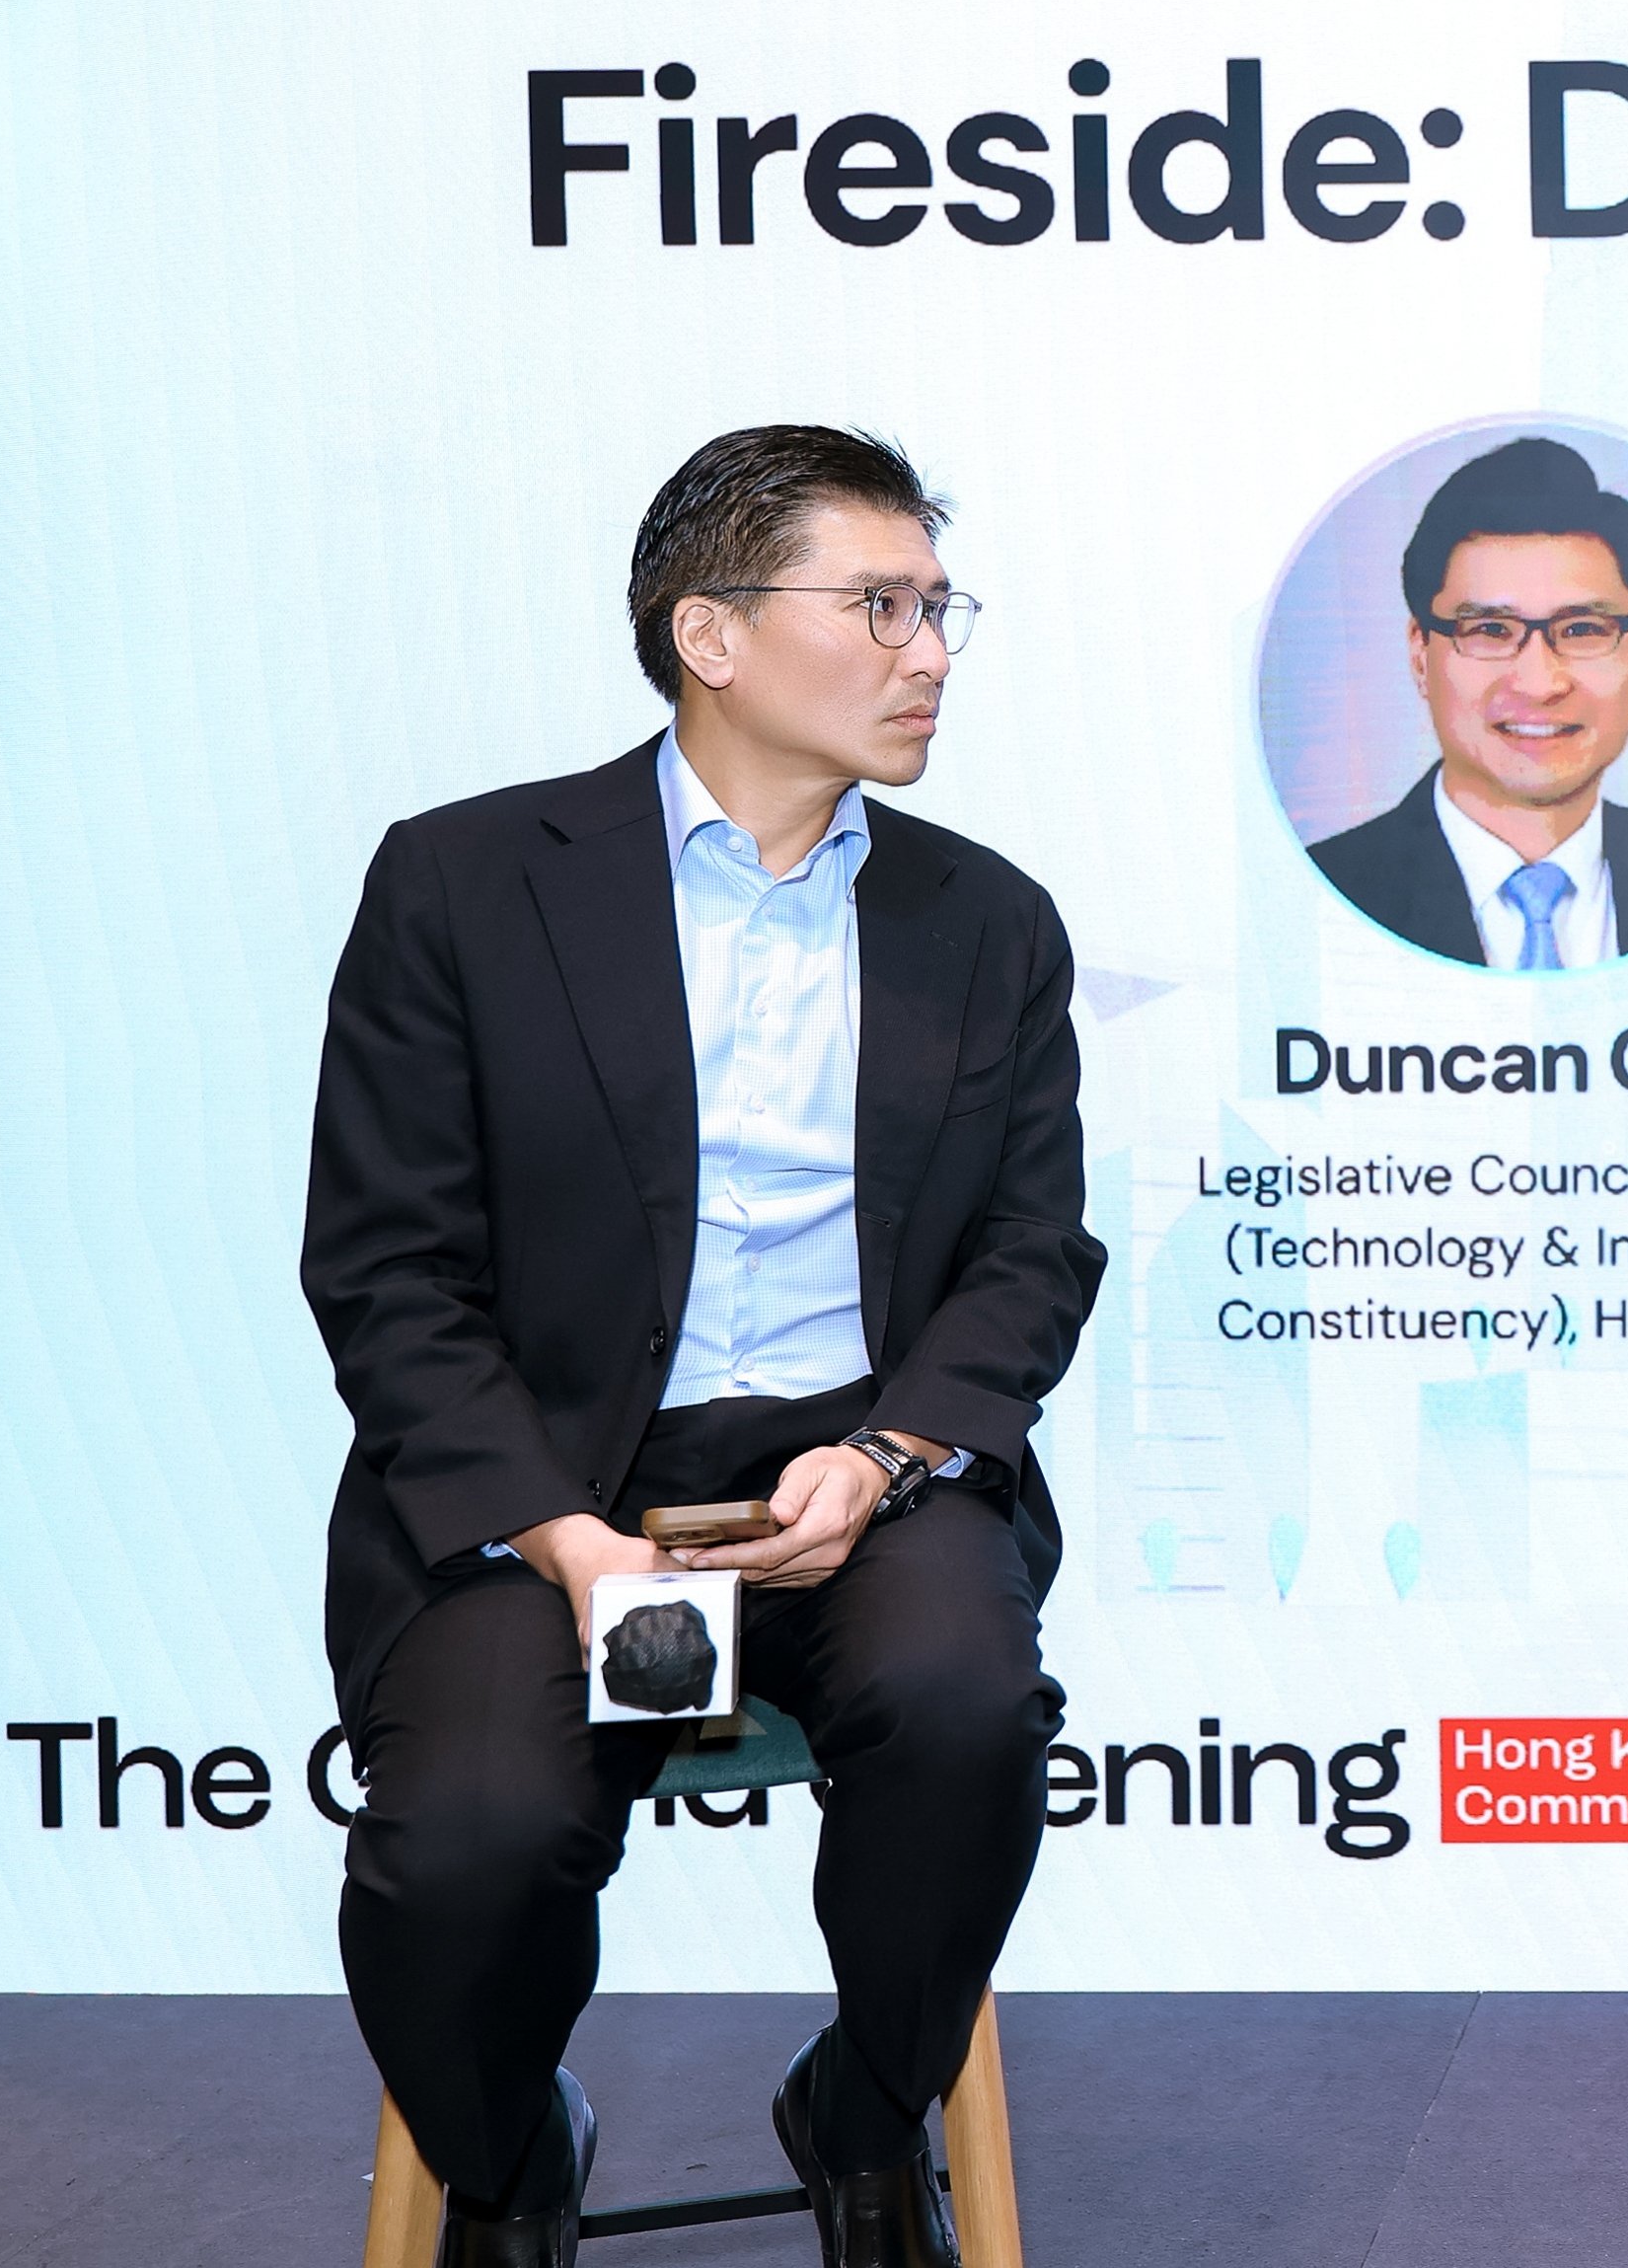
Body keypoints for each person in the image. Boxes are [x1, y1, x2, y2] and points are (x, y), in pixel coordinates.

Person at [300, 425, 1104, 2268]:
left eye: (939, 607)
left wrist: (890, 1453)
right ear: (711, 633)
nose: (931, 651)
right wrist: (566, 1541)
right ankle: (509, 2155)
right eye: (880, 604)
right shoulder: (465, 881)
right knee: (470, 1837)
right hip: (549, 1477)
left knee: (966, 1710)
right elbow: (386, 1264)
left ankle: (867, 2113)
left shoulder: (985, 919)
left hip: (859, 1468)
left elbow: (1031, 1253)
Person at [1304, 434, 1628, 968]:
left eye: (1582, 629)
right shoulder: (1315, 893)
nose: (1540, 684)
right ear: (1420, 654)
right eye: (1490, 630)